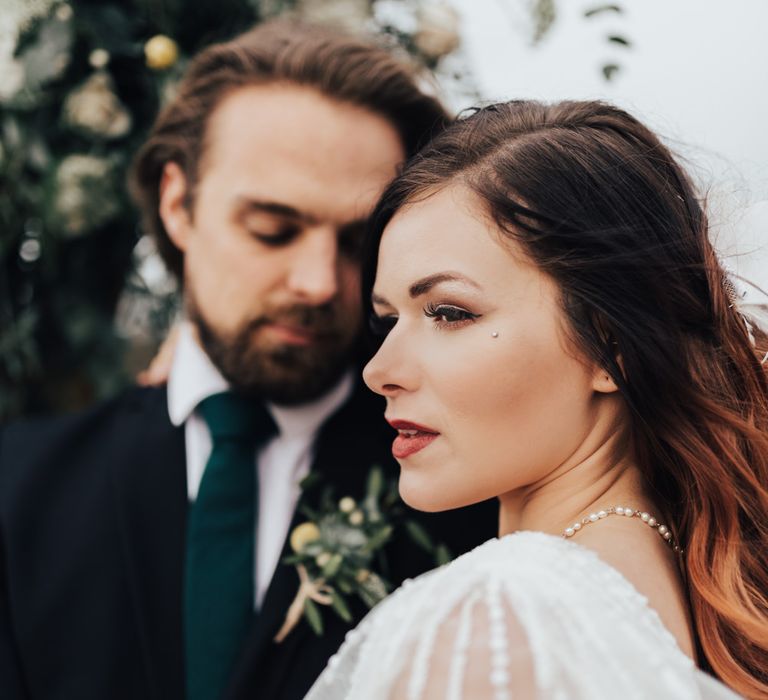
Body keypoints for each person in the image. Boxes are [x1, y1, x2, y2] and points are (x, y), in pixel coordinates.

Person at [0, 21, 498, 700]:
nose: (319, 282)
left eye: (359, 241)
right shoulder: (18, 489)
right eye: (273, 230)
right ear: (179, 204)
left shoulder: (474, 495)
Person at [305, 100, 768, 699]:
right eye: (388, 320)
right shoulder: (694, 606)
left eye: (449, 313)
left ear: (610, 347)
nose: (379, 371)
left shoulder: (496, 618)